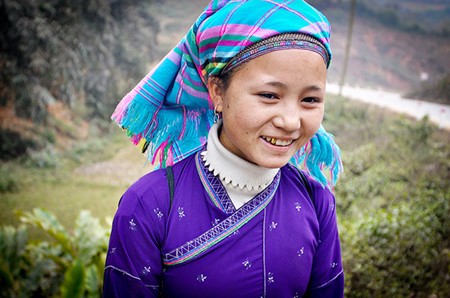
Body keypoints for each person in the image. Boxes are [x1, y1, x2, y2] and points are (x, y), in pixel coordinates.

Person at [103, 0, 344, 297]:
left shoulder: (317, 202)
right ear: (217, 91)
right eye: (269, 95)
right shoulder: (148, 205)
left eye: (309, 100)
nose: (291, 121)